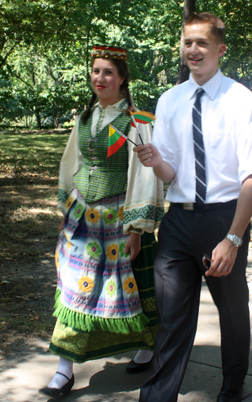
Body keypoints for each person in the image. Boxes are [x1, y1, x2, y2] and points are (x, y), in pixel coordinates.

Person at [133, 13, 252, 402]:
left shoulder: (241, 99)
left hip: (223, 219)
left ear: (219, 49)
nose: (193, 50)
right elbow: (170, 173)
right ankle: (157, 395)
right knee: (171, 317)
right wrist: (154, 159)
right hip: (178, 221)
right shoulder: (170, 100)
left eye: (202, 43)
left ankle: (232, 386)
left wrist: (233, 238)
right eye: (187, 42)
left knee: (232, 311)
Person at [39, 45, 164, 398]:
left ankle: (148, 345)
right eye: (95, 71)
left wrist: (137, 228)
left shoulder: (138, 122)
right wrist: (68, 206)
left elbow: (145, 175)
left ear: (122, 79)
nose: (100, 78)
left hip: (118, 218)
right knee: (73, 289)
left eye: (108, 72)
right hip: (82, 220)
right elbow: (71, 162)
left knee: (137, 288)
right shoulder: (85, 118)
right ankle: (64, 369)